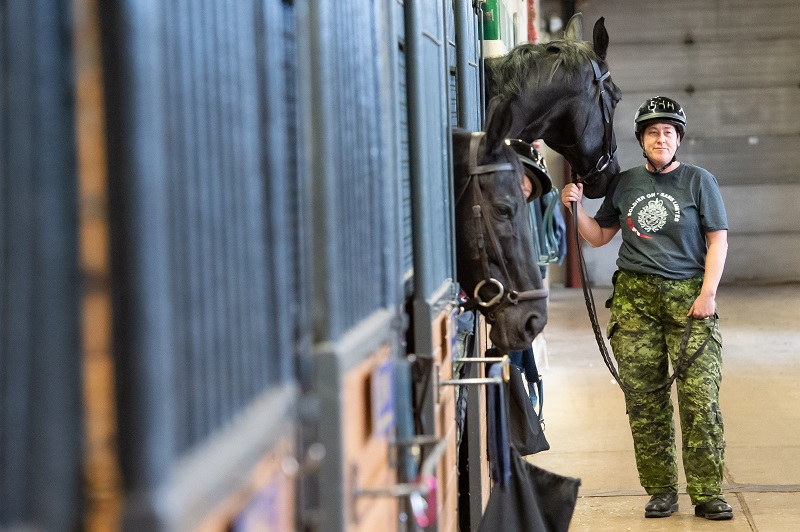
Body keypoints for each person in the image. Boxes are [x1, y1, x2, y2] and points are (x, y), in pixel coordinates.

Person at [561, 96, 732, 520]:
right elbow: (599, 237)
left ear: (679, 140)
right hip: (635, 301)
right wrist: (576, 207)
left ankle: (707, 491)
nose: (661, 138)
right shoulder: (625, 183)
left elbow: (717, 240)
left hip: (689, 297)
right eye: (653, 132)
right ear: (641, 139)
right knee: (644, 400)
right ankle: (660, 491)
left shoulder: (699, 182)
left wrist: (708, 293)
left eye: (669, 132)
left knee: (700, 397)